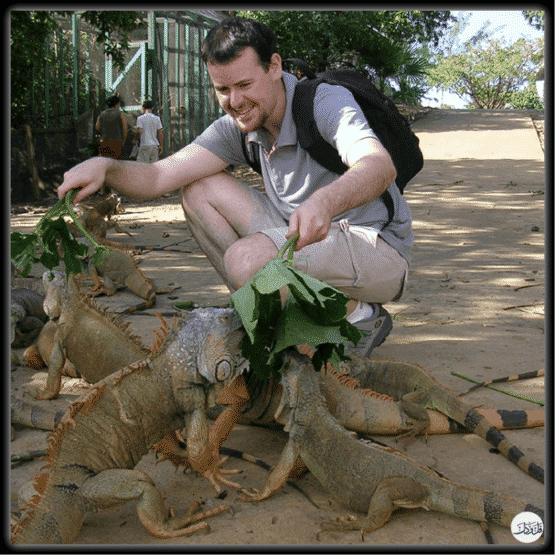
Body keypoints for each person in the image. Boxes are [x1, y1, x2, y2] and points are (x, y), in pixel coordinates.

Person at [58, 16, 413, 357]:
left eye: (244, 85)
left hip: (376, 249)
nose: (235, 101)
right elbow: (157, 176)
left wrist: (325, 202)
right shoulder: (236, 126)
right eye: (222, 89)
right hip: (304, 240)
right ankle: (274, 320)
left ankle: (358, 315)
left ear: (274, 67)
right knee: (198, 190)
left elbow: (379, 166)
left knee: (245, 260)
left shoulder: (323, 101)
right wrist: (105, 166)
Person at [95, 94, 128, 160]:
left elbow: (97, 128)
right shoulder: (120, 114)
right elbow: (125, 128)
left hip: (104, 142)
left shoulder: (102, 114)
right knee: (116, 164)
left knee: (105, 163)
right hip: (116, 143)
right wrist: (123, 141)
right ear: (117, 104)